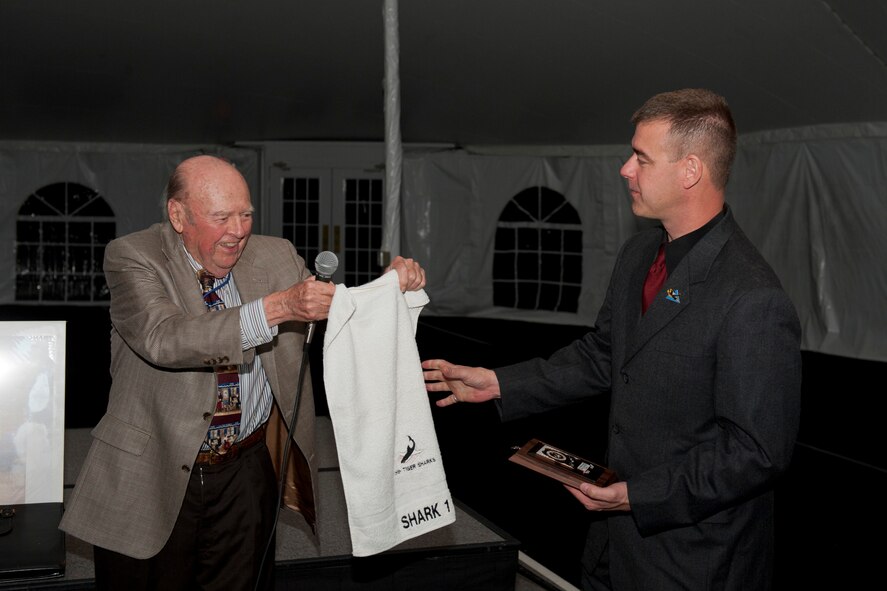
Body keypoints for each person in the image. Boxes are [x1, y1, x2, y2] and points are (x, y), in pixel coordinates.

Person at [423, 88, 801, 590]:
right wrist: (498, 383)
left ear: (690, 171)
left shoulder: (752, 296)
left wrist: (637, 495)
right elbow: (604, 354)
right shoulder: (639, 253)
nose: (626, 169)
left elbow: (756, 453)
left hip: (694, 562)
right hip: (612, 546)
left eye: (642, 158)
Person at [59, 154, 426, 590]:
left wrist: (387, 290)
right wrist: (278, 307)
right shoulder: (133, 256)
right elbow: (165, 338)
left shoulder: (276, 255)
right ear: (178, 216)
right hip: (152, 467)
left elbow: (337, 315)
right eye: (221, 217)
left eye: (246, 214)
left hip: (246, 468)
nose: (238, 231)